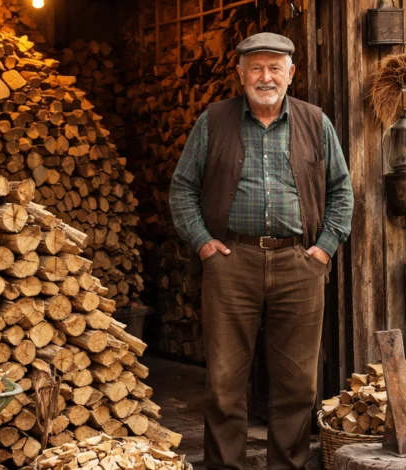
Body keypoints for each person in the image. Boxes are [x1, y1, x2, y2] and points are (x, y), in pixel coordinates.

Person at [169, 32, 354, 469]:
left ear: (291, 73)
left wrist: (323, 250)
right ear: (240, 74)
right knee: (224, 383)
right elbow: (182, 189)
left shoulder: (315, 122)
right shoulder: (213, 120)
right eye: (256, 68)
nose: (265, 77)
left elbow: (341, 192)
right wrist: (204, 245)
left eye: (275, 67)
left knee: (297, 385)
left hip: (299, 264)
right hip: (232, 262)